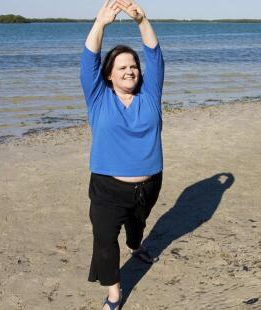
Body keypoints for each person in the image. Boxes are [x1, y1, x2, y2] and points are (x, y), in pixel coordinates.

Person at [80, 0, 164, 308]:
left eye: (133, 66)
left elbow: (155, 56)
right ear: (109, 75)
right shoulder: (98, 97)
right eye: (122, 67)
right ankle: (114, 295)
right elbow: (88, 58)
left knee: (137, 224)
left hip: (149, 185)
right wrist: (100, 23)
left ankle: (136, 243)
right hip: (107, 187)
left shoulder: (151, 94)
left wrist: (142, 20)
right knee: (104, 239)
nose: (130, 71)